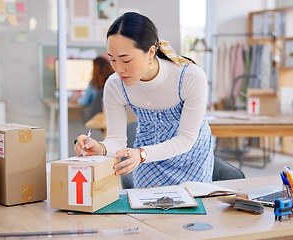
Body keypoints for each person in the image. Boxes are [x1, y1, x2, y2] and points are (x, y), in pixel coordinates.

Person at [74, 12, 214, 188]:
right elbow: (116, 140)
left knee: (190, 212)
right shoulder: (115, 85)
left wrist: (141, 154)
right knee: (146, 211)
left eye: (126, 60)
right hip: (146, 160)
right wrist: (100, 148)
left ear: (150, 53)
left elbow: (185, 139)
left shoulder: (190, 77)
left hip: (190, 159)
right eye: (112, 60)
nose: (119, 69)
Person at [78, 56, 114, 122]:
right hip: (112, 116)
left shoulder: (93, 83)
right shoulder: (113, 82)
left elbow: (84, 101)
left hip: (96, 117)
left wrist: (76, 99)